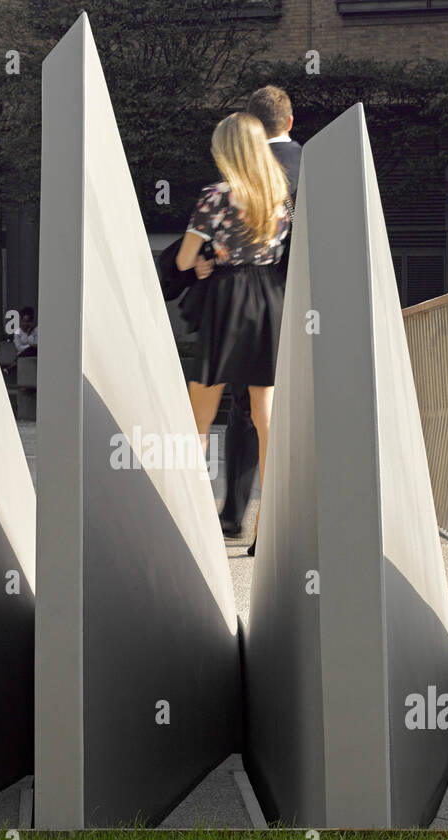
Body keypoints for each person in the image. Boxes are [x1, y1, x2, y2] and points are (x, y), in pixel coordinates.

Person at [176, 112, 290, 557]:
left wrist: (205, 262)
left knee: (198, 419)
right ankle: (271, 528)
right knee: (266, 420)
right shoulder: (283, 195)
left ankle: (192, 521)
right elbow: (287, 240)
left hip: (227, 298)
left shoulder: (217, 195)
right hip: (269, 299)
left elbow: (186, 260)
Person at [217, 85, 302, 540]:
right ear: (289, 122)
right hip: (306, 309)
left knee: (247, 409)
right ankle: (281, 526)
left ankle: (235, 514)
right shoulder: (317, 165)